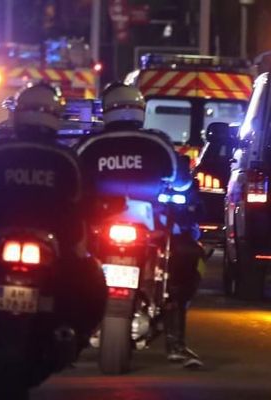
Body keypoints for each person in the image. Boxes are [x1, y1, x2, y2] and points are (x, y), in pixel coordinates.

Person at [0, 82, 107, 362]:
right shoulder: (66, 158)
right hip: (51, 246)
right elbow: (85, 201)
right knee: (90, 276)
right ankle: (72, 333)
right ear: (55, 115)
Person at [76, 82, 204, 368]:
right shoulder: (156, 141)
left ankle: (71, 333)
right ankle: (176, 344)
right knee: (184, 260)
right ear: (140, 111)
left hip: (104, 225)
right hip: (140, 223)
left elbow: (73, 180)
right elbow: (180, 180)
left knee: (182, 258)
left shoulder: (90, 144)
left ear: (106, 110)